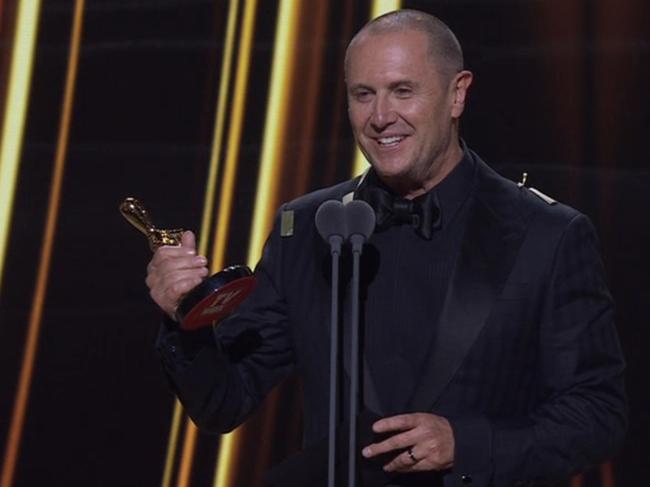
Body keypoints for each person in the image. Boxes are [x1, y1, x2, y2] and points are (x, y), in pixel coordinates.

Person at [146, 9, 626, 487]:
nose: (380, 117)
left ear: (457, 94)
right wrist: (186, 322)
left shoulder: (547, 234)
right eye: (363, 95)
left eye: (403, 91)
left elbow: (597, 415)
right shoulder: (306, 228)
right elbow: (224, 401)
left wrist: (468, 445)